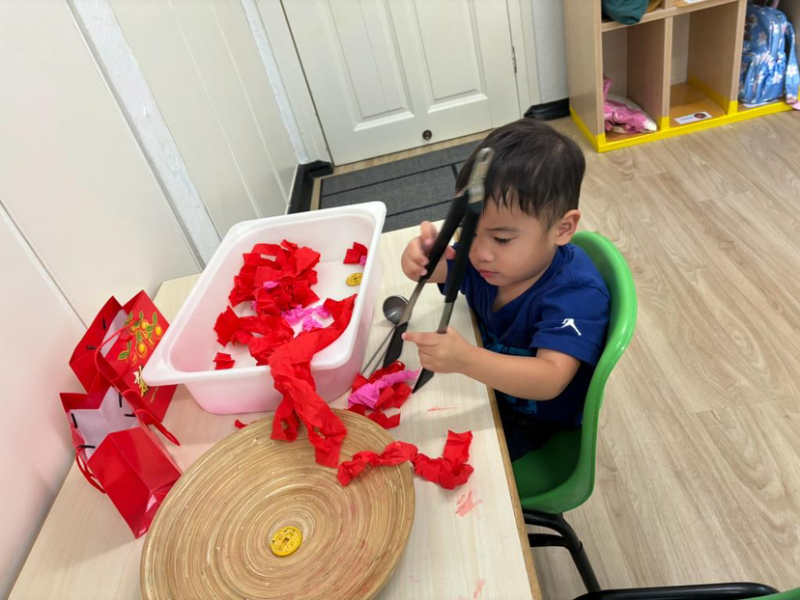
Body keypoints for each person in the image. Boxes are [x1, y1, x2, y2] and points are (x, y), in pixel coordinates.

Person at [400, 118, 610, 461]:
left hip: (534, 419)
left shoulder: (575, 294)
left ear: (562, 228)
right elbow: (434, 271)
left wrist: (466, 359)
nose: (480, 252)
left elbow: (550, 378)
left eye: (501, 239)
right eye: (470, 231)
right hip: (486, 385)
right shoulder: (488, 262)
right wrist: (420, 256)